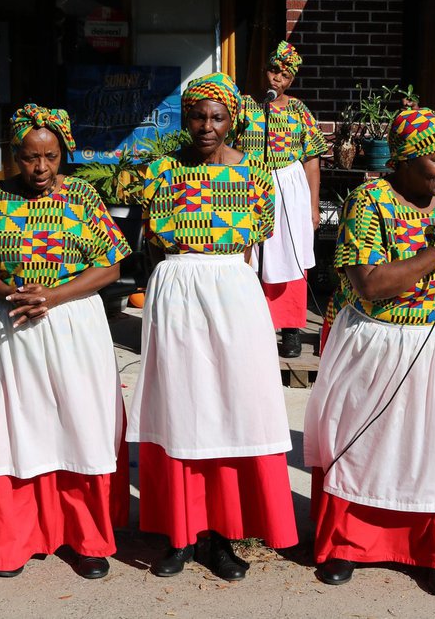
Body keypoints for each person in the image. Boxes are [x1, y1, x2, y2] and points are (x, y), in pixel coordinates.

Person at [304, 108, 435, 597]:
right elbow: (368, 284)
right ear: (406, 160)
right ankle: (347, 546)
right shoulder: (370, 202)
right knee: (363, 447)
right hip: (379, 343)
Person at [0, 104, 132, 579]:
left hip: (72, 321)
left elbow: (110, 266)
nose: (41, 169)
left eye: (51, 157)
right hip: (9, 326)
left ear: (62, 153)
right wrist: (6, 290)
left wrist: (51, 295)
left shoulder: (83, 197)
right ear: (15, 155)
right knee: (16, 428)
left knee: (80, 423)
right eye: (30, 158)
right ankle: (14, 539)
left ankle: (87, 539)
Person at [127, 72, 298, 582]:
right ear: (185, 119)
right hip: (177, 289)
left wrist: (225, 278)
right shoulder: (159, 172)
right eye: (197, 115)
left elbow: (254, 244)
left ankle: (222, 535)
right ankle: (181, 534)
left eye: (217, 116)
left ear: (233, 120)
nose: (206, 125)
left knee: (231, 407)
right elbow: (154, 244)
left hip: (234, 291)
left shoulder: (255, 176)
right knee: (182, 408)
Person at [236, 40, 328, 358]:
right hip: (250, 185)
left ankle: (289, 329)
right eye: (273, 70)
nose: (277, 78)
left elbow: (313, 157)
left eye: (284, 75)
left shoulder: (299, 111)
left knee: (288, 255)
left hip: (288, 187)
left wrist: (314, 206)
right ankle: (253, 325)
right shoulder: (245, 106)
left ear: (291, 80)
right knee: (249, 257)